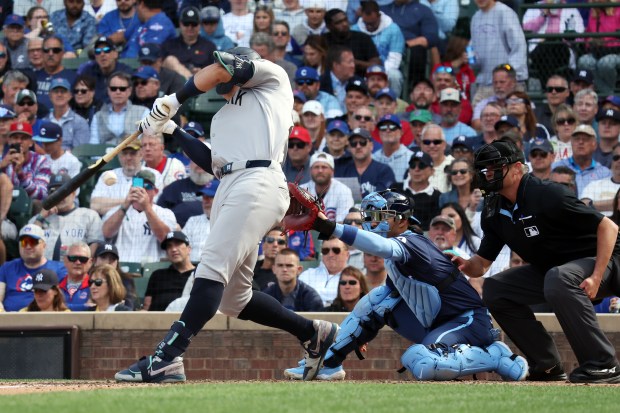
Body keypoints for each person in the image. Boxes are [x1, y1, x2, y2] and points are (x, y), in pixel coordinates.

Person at [115, 46, 339, 383]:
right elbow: (213, 164)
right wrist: (171, 130)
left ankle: (166, 357)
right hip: (230, 184)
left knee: (210, 272)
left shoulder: (271, 78)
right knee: (235, 299)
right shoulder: (223, 117)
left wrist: (174, 99)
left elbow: (222, 68)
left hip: (258, 181)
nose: (221, 82)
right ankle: (313, 333)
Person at [285, 190, 528, 381]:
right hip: (436, 321)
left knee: (420, 360)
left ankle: (495, 356)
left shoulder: (412, 242)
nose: (372, 220)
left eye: (381, 215)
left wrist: (331, 228)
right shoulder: (399, 251)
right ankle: (327, 364)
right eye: (369, 214)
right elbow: (378, 305)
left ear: (401, 220)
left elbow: (383, 247)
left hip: (469, 322)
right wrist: (357, 335)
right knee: (378, 299)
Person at [452, 137, 620, 383]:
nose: (488, 174)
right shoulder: (493, 208)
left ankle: (603, 364)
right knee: (497, 289)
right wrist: (464, 265)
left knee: (559, 277)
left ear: (518, 168)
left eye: (495, 167)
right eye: (485, 169)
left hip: (609, 260)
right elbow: (482, 265)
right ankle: (547, 366)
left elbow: (608, 227)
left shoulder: (547, 193)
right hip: (559, 271)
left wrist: (596, 276)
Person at [101, 169, 176, 262]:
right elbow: (107, 233)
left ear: (155, 191)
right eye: (138, 185)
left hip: (151, 268)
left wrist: (147, 207)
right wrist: (124, 206)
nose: (142, 190)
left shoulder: (165, 213)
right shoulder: (117, 211)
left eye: (147, 186)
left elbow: (166, 239)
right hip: (121, 267)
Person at [29, 173, 103, 260]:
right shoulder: (37, 219)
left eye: (63, 191)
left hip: (77, 268)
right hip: (43, 270)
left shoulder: (89, 216)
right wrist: (41, 217)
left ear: (73, 193)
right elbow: (28, 244)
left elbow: (95, 246)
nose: (59, 196)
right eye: (54, 192)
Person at [469, 0, 527, 108]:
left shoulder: (505, 12)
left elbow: (519, 46)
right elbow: (473, 51)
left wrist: (509, 74)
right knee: (478, 118)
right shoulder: (475, 18)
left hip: (508, 83)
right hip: (484, 83)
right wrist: (471, 59)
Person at [0, 224, 67, 312]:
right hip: (11, 320)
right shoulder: (7, 267)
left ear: (44, 245)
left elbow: (62, 301)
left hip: (46, 319)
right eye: (24, 242)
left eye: (33, 242)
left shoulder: (60, 269)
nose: (28, 246)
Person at [89, 140, 163, 216]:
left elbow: (154, 205)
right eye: (124, 153)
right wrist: (128, 201)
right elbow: (94, 205)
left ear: (141, 154)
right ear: (119, 156)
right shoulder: (108, 175)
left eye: (132, 153)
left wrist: (114, 206)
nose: (128, 157)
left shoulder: (153, 174)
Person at [351, 1, 405, 96]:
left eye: (372, 23)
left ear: (379, 16)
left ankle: (394, 103)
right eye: (366, 23)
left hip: (386, 69)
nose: (369, 26)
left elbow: (394, 59)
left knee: (395, 75)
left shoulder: (393, 29)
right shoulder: (354, 30)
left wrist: (378, 74)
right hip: (361, 70)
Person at [90, 72, 150, 145]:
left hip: (132, 154)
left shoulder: (144, 112)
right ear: (108, 91)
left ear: (130, 91)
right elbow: (93, 144)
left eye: (122, 89)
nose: (118, 92)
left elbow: (145, 142)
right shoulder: (97, 116)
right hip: (105, 155)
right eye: (113, 89)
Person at [551, 124, 610, 197]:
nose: (580, 142)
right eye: (577, 139)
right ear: (571, 143)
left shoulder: (604, 173)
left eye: (585, 139)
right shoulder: (555, 167)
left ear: (594, 145)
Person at [143, 231, 195, 311]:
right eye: (169, 246)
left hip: (186, 320)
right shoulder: (157, 275)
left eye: (177, 244)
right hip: (155, 320)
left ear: (189, 249)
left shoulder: (198, 275)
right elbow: (146, 306)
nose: (173, 249)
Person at [336, 127, 395, 198]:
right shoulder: (342, 170)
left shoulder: (384, 171)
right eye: (353, 143)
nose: (358, 146)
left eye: (362, 142)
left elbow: (385, 200)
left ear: (371, 145)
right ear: (349, 148)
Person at [161, 7, 216, 79]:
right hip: (175, 85)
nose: (190, 27)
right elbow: (160, 68)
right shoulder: (168, 45)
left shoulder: (209, 46)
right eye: (186, 24)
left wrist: (201, 71)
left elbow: (215, 71)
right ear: (180, 24)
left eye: (194, 24)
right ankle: (190, 80)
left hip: (202, 84)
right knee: (170, 60)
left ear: (199, 25)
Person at [391, 151, 441, 231]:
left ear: (432, 171)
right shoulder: (395, 188)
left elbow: (433, 225)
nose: (416, 169)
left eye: (421, 166)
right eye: (412, 165)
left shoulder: (437, 196)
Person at [2, 121, 52, 201]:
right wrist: (1, 167)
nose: (19, 141)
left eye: (24, 138)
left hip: (30, 206)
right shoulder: (3, 160)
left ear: (31, 142)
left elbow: (41, 195)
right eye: (15, 138)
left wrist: (20, 174)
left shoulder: (41, 161)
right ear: (9, 141)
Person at [263, 248, 324, 312]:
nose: (284, 269)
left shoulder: (311, 298)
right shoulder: (266, 297)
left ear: (299, 270)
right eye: (280, 265)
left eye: (289, 265)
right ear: (274, 269)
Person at [78, 36, 134, 104]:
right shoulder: (88, 71)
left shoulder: (125, 71)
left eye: (107, 50)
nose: (102, 54)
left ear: (115, 54)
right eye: (98, 51)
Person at [301, 152, 354, 223]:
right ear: (310, 171)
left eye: (324, 167)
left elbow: (343, 224)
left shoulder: (344, 191)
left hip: (334, 233)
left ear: (332, 171)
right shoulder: (302, 190)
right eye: (316, 167)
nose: (320, 171)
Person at [299, 236, 351, 307]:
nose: (330, 254)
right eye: (326, 251)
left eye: (336, 250)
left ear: (347, 255)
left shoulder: (354, 278)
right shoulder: (307, 275)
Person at [45, 78, 91, 149]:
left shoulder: (80, 122)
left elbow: (79, 153)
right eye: (56, 91)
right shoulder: (44, 121)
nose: (59, 94)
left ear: (70, 95)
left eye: (63, 91)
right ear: (50, 96)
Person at [34, 35, 77, 110]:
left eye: (56, 50)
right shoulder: (34, 76)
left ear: (62, 53)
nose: (50, 54)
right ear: (42, 53)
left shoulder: (73, 78)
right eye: (46, 50)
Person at [182, 180, 218, 263]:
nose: (205, 200)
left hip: (215, 269)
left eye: (210, 197)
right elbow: (182, 246)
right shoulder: (193, 221)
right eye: (203, 197)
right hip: (192, 268)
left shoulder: (229, 221)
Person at [93, 242, 137, 309]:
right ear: (94, 260)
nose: (107, 262)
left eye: (112, 259)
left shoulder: (126, 280)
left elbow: (129, 308)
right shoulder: (89, 279)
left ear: (117, 263)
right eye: (103, 257)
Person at [581, 143, 620, 216]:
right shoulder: (595, 185)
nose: (619, 161)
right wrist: (615, 203)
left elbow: (588, 205)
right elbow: (582, 206)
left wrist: (594, 205)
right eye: (616, 157)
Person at [59, 241, 93, 311]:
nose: (78, 262)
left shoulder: (95, 286)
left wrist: (63, 306)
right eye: (73, 258)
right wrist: (84, 306)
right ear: (65, 261)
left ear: (90, 262)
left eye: (83, 259)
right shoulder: (56, 285)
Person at [420, 124, 453, 193]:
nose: (431, 146)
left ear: (444, 144)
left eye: (436, 142)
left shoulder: (454, 165)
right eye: (427, 142)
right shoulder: (414, 166)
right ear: (421, 145)